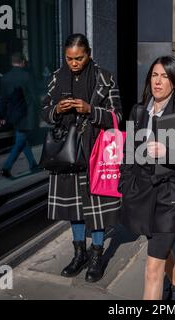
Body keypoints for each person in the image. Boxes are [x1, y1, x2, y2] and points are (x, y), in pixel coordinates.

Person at [41, 34, 122, 282]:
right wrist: (56, 110)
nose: (73, 63)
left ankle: (96, 256)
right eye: (69, 58)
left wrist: (91, 110)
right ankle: (80, 254)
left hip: (93, 151)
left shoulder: (105, 78)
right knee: (73, 208)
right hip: (65, 151)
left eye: (79, 58)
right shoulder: (57, 77)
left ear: (88, 54)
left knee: (95, 209)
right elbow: (44, 112)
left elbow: (117, 116)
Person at [119, 56, 175, 300]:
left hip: (169, 198)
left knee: (152, 269)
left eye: (165, 76)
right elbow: (129, 151)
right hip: (141, 195)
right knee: (159, 250)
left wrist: (168, 152)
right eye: (155, 75)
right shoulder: (138, 110)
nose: (158, 81)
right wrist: (126, 183)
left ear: (174, 82)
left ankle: (169, 286)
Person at [0, 52, 39, 178]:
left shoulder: (5, 78)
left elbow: (2, 99)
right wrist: (41, 112)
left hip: (13, 115)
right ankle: (6, 167)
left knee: (22, 139)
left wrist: (1, 116)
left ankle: (33, 164)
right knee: (20, 141)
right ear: (22, 61)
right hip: (26, 114)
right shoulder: (27, 76)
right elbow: (34, 97)